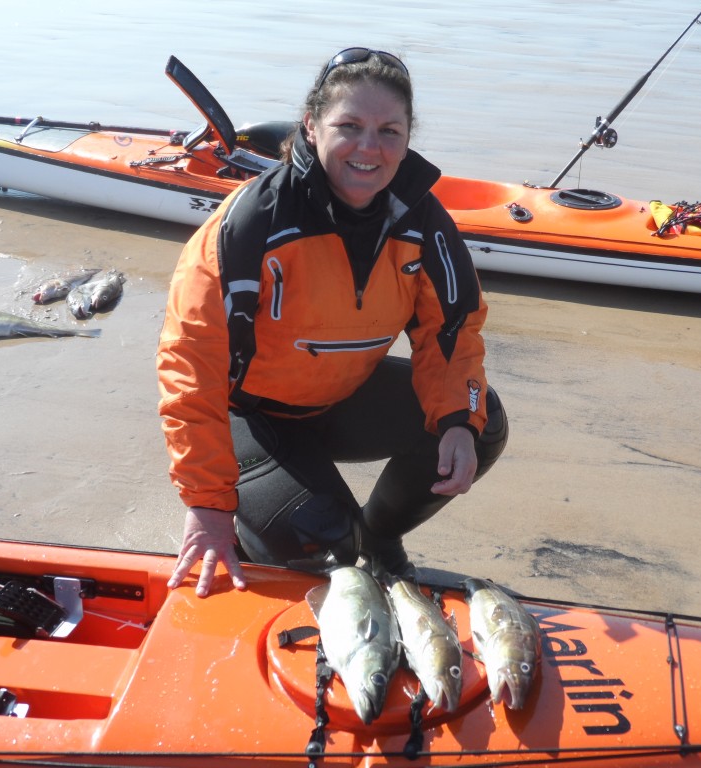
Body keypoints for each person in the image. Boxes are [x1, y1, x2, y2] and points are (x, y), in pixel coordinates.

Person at [157, 47, 509, 597]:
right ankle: (275, 524)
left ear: (409, 136)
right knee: (327, 548)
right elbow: (190, 364)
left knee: (479, 421)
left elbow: (452, 333)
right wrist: (207, 503)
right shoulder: (251, 225)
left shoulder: (424, 222)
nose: (370, 147)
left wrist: (458, 422)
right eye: (349, 126)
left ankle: (380, 537)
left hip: (339, 401)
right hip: (249, 414)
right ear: (311, 126)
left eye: (389, 130)